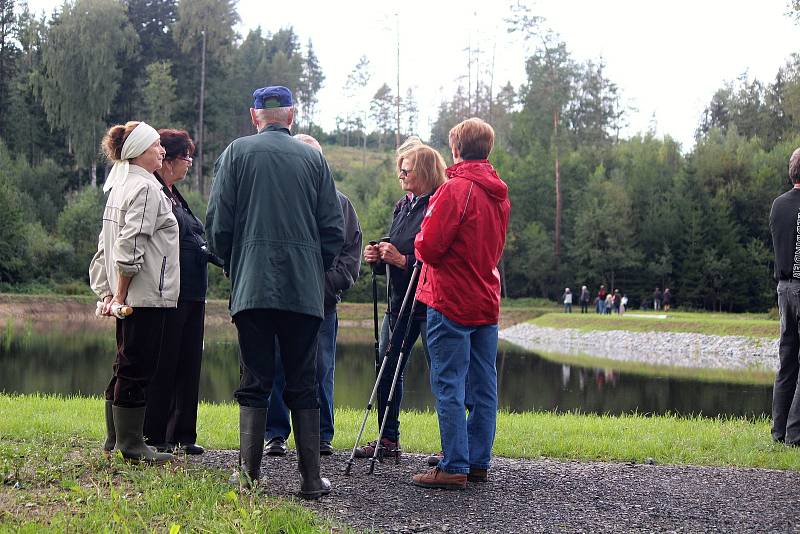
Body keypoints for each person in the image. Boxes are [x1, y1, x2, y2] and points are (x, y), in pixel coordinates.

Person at [205, 86, 344, 499]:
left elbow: (219, 225)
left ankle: (249, 477)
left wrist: (235, 265)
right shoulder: (314, 159)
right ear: (291, 116)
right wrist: (309, 269)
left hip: (252, 290)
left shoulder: (235, 154)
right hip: (303, 295)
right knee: (303, 379)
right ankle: (310, 481)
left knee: (255, 377)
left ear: (255, 117)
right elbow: (333, 229)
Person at [411, 117, 510, 490]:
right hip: (486, 297)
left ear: (455, 149)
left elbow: (429, 246)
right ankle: (476, 459)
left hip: (451, 298)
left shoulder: (454, 189)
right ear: (487, 150)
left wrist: (419, 239)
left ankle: (454, 463)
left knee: (448, 382)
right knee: (484, 384)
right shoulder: (499, 194)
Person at [264, 134, 362, 457]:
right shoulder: (280, 203)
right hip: (281, 299)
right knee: (276, 364)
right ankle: (275, 434)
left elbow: (350, 254)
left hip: (322, 304)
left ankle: (321, 435)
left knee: (321, 369)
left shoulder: (341, 204)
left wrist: (326, 285)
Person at [89, 121, 178, 465]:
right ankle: (131, 445)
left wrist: (109, 292)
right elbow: (128, 247)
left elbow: (103, 249)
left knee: (125, 362)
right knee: (137, 366)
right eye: (157, 145)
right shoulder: (145, 189)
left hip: (130, 295)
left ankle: (116, 440)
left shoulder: (121, 186)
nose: (162, 150)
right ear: (140, 151)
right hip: (143, 296)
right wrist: (121, 295)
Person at [353, 142, 447, 460]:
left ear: (424, 171)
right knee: (388, 367)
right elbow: (397, 248)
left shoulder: (437, 203)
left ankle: (452, 447)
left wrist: (402, 260)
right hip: (398, 302)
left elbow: (435, 256)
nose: (401, 174)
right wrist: (378, 256)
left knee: (441, 373)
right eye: (400, 168)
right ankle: (387, 439)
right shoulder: (403, 205)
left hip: (430, 303)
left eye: (406, 169)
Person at [143, 129, 218, 456]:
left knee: (189, 362)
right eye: (186, 156)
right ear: (169, 160)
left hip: (192, 292)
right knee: (166, 361)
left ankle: (183, 433)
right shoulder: (156, 192)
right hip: (169, 290)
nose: (190, 163)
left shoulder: (176, 195)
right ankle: (156, 433)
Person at [768, 146, 800, 445]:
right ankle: (795, 435)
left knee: (787, 361)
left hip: (783, 289)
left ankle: (778, 433)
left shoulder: (778, 205)